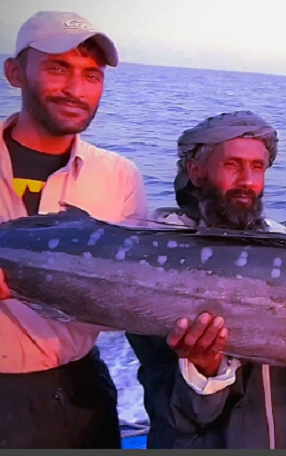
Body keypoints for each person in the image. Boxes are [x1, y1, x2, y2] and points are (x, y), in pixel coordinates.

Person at [125, 110, 286, 449]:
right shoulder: (153, 254)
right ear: (196, 170)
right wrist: (202, 369)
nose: (247, 180)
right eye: (232, 165)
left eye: (257, 167)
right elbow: (174, 416)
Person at [0, 11, 148, 449]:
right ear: (14, 73)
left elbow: (131, 291)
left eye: (91, 75)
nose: (75, 90)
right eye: (57, 68)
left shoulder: (120, 176)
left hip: (78, 392)